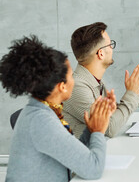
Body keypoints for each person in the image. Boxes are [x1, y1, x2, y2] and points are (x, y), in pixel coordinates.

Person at [0, 36, 113, 181]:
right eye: (71, 75)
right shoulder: (41, 121)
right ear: (62, 86)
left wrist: (91, 130)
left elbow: (71, 153)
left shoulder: (43, 111)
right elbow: (93, 169)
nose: (74, 79)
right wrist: (98, 131)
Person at [63, 22, 139, 138]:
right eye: (110, 45)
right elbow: (109, 128)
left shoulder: (94, 82)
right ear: (101, 54)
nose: (112, 49)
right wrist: (132, 93)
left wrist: (137, 87)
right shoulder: (76, 87)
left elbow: (112, 117)